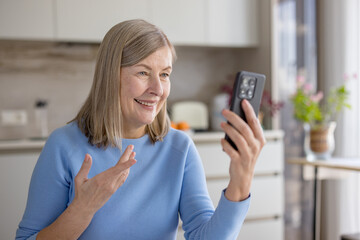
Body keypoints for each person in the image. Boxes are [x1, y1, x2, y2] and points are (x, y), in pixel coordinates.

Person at [15, 19, 266, 240]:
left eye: (165, 74)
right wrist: (82, 210)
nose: (158, 89)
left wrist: (241, 181)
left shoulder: (180, 148)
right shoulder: (63, 146)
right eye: (143, 72)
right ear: (110, 77)